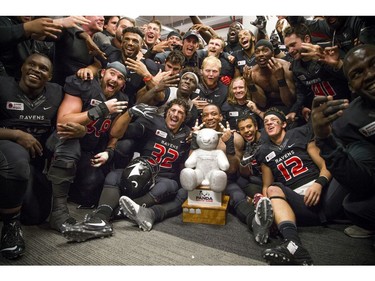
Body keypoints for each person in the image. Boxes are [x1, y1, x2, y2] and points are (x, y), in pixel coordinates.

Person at [118, 103, 274, 246]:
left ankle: (256, 223)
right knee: (180, 196)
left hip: (223, 180)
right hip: (199, 180)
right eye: (206, 115)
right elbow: (190, 164)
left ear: (220, 116)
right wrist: (193, 141)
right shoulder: (194, 135)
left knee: (237, 196)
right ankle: (149, 214)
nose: (210, 117)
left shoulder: (234, 136)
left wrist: (229, 145)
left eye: (214, 114)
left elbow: (232, 169)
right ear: (202, 118)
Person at [60, 99, 191, 242]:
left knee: (168, 186)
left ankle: (115, 213)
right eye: (173, 110)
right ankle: (101, 217)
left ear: (184, 118)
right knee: (114, 176)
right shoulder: (153, 122)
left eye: (181, 113)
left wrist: (195, 141)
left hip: (164, 179)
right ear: (167, 112)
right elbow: (116, 132)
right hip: (144, 172)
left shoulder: (187, 134)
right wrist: (129, 113)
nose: (176, 114)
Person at [0, 53, 84, 259]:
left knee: (35, 216)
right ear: (22, 67)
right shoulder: (2, 86)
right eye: (32, 65)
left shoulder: (56, 92)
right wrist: (16, 135)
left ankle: (51, 212)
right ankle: (10, 228)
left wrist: (81, 130)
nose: (36, 70)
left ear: (50, 76)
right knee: (18, 162)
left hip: (35, 158)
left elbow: (69, 120)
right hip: (7, 147)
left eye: (43, 69)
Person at [255, 107, 346, 265]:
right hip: (300, 203)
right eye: (265, 122)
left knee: (343, 163)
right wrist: (267, 207)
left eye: (273, 120)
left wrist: (319, 183)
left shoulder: (299, 134)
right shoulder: (264, 151)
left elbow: (327, 164)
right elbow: (266, 186)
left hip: (324, 191)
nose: (269, 123)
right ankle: (293, 245)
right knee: (272, 189)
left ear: (283, 124)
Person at [46, 61, 128, 232]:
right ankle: (58, 212)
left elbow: (114, 134)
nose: (115, 79)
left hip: (87, 150)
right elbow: (63, 122)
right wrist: (100, 110)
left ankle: (59, 190)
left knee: (93, 185)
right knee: (71, 136)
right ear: (103, 73)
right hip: (63, 141)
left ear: (123, 84)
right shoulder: (85, 85)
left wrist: (108, 151)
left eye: (120, 78)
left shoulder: (121, 100)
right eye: (112, 74)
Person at [311, 44, 375, 243]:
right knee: (354, 206)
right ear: (351, 87)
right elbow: (364, 182)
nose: (370, 74)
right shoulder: (350, 121)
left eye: (374, 64)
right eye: (357, 73)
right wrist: (324, 138)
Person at [283, 23, 352, 124]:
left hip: (346, 106)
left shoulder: (329, 51)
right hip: (322, 113)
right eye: (287, 47)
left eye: (293, 45)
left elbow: (348, 77)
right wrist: (296, 110)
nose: (290, 51)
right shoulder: (295, 67)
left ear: (306, 39)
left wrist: (327, 63)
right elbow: (302, 93)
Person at [243, 39, 296, 119]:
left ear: (273, 53)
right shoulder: (253, 74)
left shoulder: (286, 67)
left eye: (265, 50)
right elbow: (262, 103)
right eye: (257, 52)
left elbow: (289, 102)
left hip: (289, 108)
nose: (261, 54)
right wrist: (250, 85)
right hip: (267, 110)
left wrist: (280, 79)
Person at [191, 56, 228, 121]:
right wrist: (190, 105)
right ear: (201, 71)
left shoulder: (224, 90)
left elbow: (224, 115)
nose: (211, 74)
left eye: (214, 71)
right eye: (207, 71)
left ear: (220, 72)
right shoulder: (192, 85)